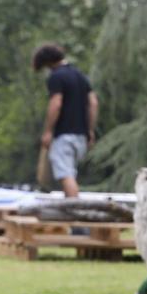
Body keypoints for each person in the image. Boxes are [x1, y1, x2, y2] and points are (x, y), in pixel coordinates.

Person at [33, 44, 98, 198]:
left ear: (47, 62)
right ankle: (72, 212)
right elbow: (93, 103)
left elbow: (56, 103)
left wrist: (48, 131)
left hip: (64, 135)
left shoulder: (56, 77)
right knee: (70, 175)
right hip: (81, 136)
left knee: (66, 176)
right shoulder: (80, 76)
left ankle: (75, 217)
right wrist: (89, 130)